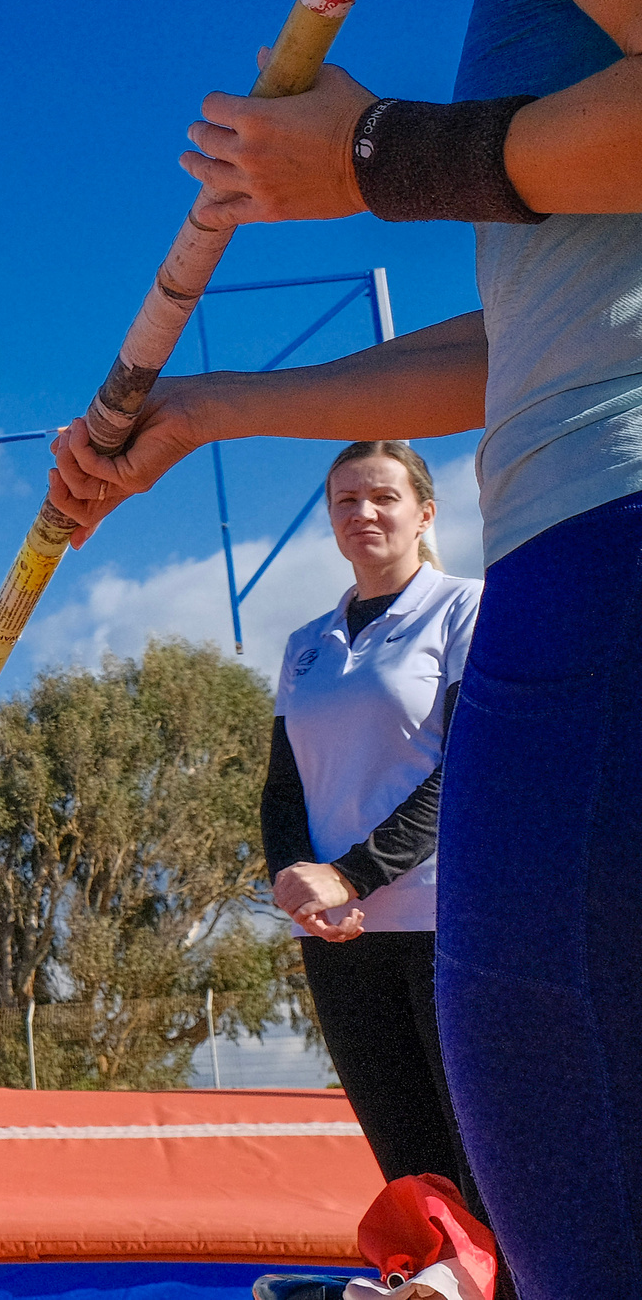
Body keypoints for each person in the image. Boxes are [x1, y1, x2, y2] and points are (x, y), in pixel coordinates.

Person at [49, 0, 642, 1287]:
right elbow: (525, 335)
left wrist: (374, 154)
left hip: (608, 553)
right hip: (594, 509)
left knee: (572, 1175)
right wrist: (211, 411)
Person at [265, 442, 482, 1215]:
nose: (364, 512)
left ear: (424, 513)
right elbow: (284, 790)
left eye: (384, 497)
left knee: (484, 1170)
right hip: (340, 939)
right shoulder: (304, 646)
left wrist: (355, 871)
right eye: (346, 500)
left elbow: (467, 768)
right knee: (413, 1179)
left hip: (444, 929)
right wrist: (299, 886)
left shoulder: (465, 606)